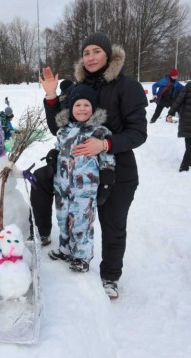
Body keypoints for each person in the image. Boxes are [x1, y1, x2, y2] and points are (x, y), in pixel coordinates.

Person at [38, 31, 148, 298]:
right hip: (78, 171)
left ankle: (110, 275)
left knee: (112, 224)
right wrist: (52, 96)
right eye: (86, 53)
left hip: (117, 169)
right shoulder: (78, 88)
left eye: (96, 51)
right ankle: (65, 247)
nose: (90, 57)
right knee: (68, 209)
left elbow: (138, 133)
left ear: (108, 54)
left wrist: (105, 145)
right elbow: (59, 127)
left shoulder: (127, 87)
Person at [47, 85, 116, 273]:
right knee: (62, 218)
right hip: (62, 184)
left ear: (93, 108)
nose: (82, 109)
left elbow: (107, 157)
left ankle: (81, 256)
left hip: (85, 187)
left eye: (87, 105)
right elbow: (59, 148)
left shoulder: (99, 132)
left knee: (81, 221)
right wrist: (52, 156)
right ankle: (65, 249)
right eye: (78, 105)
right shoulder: (63, 131)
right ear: (71, 108)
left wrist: (107, 180)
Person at [29, 79, 74, 247]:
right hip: (62, 160)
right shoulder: (65, 119)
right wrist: (55, 153)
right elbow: (58, 131)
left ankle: (73, 242)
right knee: (39, 178)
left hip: (83, 166)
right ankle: (42, 230)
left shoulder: (90, 123)